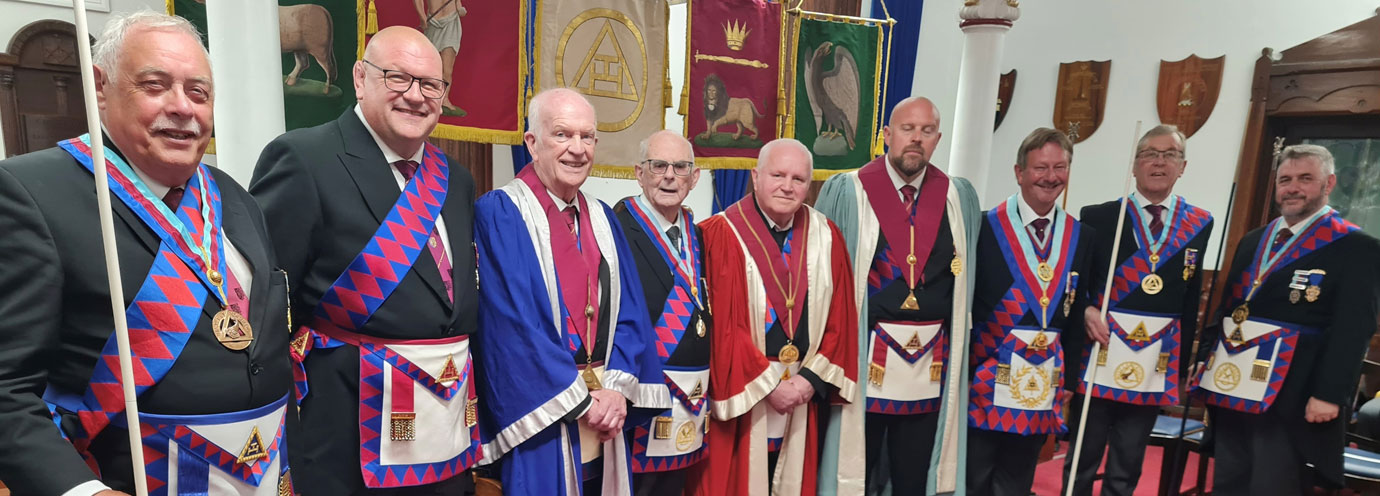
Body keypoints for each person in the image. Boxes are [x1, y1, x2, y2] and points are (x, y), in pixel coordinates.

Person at [0, 11, 292, 496]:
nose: (182, 108)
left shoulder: (233, 196)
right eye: (155, 86)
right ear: (100, 86)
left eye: (198, 92)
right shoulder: (31, 193)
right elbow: (7, 390)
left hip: (261, 473)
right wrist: (82, 492)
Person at [249, 26, 481, 495]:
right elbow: (266, 304)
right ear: (360, 78)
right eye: (398, 78)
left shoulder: (455, 179)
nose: (416, 97)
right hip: (348, 429)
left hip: (445, 421)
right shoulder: (304, 158)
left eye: (430, 85)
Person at [472, 87, 668, 496]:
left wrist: (615, 388)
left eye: (587, 136)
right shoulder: (501, 213)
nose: (577, 149)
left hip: (606, 413)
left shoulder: (602, 218)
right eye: (562, 135)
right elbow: (512, 327)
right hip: (545, 413)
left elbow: (631, 312)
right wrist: (581, 400)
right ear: (532, 142)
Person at [1192, 144, 1380, 495]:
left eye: (1305, 178)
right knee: (1230, 481)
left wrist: (1329, 394)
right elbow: (1227, 309)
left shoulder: (1356, 246)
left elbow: (1354, 329)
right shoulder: (1253, 241)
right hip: (1234, 382)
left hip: (1294, 394)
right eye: (1285, 179)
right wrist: (1205, 358)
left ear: (1329, 183)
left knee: (1273, 484)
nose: (1292, 188)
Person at [815, 96, 980, 495]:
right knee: (855, 470)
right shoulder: (848, 191)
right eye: (907, 129)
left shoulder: (958, 197)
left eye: (926, 131)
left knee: (913, 475)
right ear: (887, 135)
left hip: (929, 368)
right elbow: (819, 277)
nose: (916, 139)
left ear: (938, 139)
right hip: (861, 361)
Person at [689, 138, 859, 496]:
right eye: (778, 175)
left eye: (798, 179)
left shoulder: (826, 236)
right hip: (745, 397)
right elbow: (721, 329)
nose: (787, 186)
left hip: (801, 396)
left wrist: (807, 382)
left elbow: (841, 320)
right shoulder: (719, 234)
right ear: (755, 176)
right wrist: (770, 386)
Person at [1063, 125, 1214, 496]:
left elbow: (1191, 297)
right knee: (1082, 458)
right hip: (1100, 353)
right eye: (1149, 154)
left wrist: (1179, 370)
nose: (1159, 162)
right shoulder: (1099, 216)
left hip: (1152, 363)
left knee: (1128, 463)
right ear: (1134, 166)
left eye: (1169, 155)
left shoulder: (1199, 223)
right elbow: (1074, 284)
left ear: (1183, 166)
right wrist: (1084, 310)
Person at [967, 128, 1094, 496]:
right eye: (1040, 167)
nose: (1051, 177)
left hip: (1040, 379)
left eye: (1060, 167)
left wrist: (1069, 378)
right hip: (985, 376)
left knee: (1017, 480)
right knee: (975, 478)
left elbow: (1075, 310)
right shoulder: (984, 226)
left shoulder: (1081, 236)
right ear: (1019, 172)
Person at [612, 130, 713, 495]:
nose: (669, 175)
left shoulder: (697, 233)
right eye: (659, 166)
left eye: (681, 167)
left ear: (694, 177)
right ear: (639, 172)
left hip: (692, 400)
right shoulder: (616, 227)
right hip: (642, 398)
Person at [414, 0, 464, 112]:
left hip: (451, 22)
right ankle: (427, 97)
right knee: (429, 67)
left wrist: (461, 10)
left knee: (447, 70)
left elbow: (458, 4)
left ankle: (444, 99)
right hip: (433, 22)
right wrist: (422, 17)